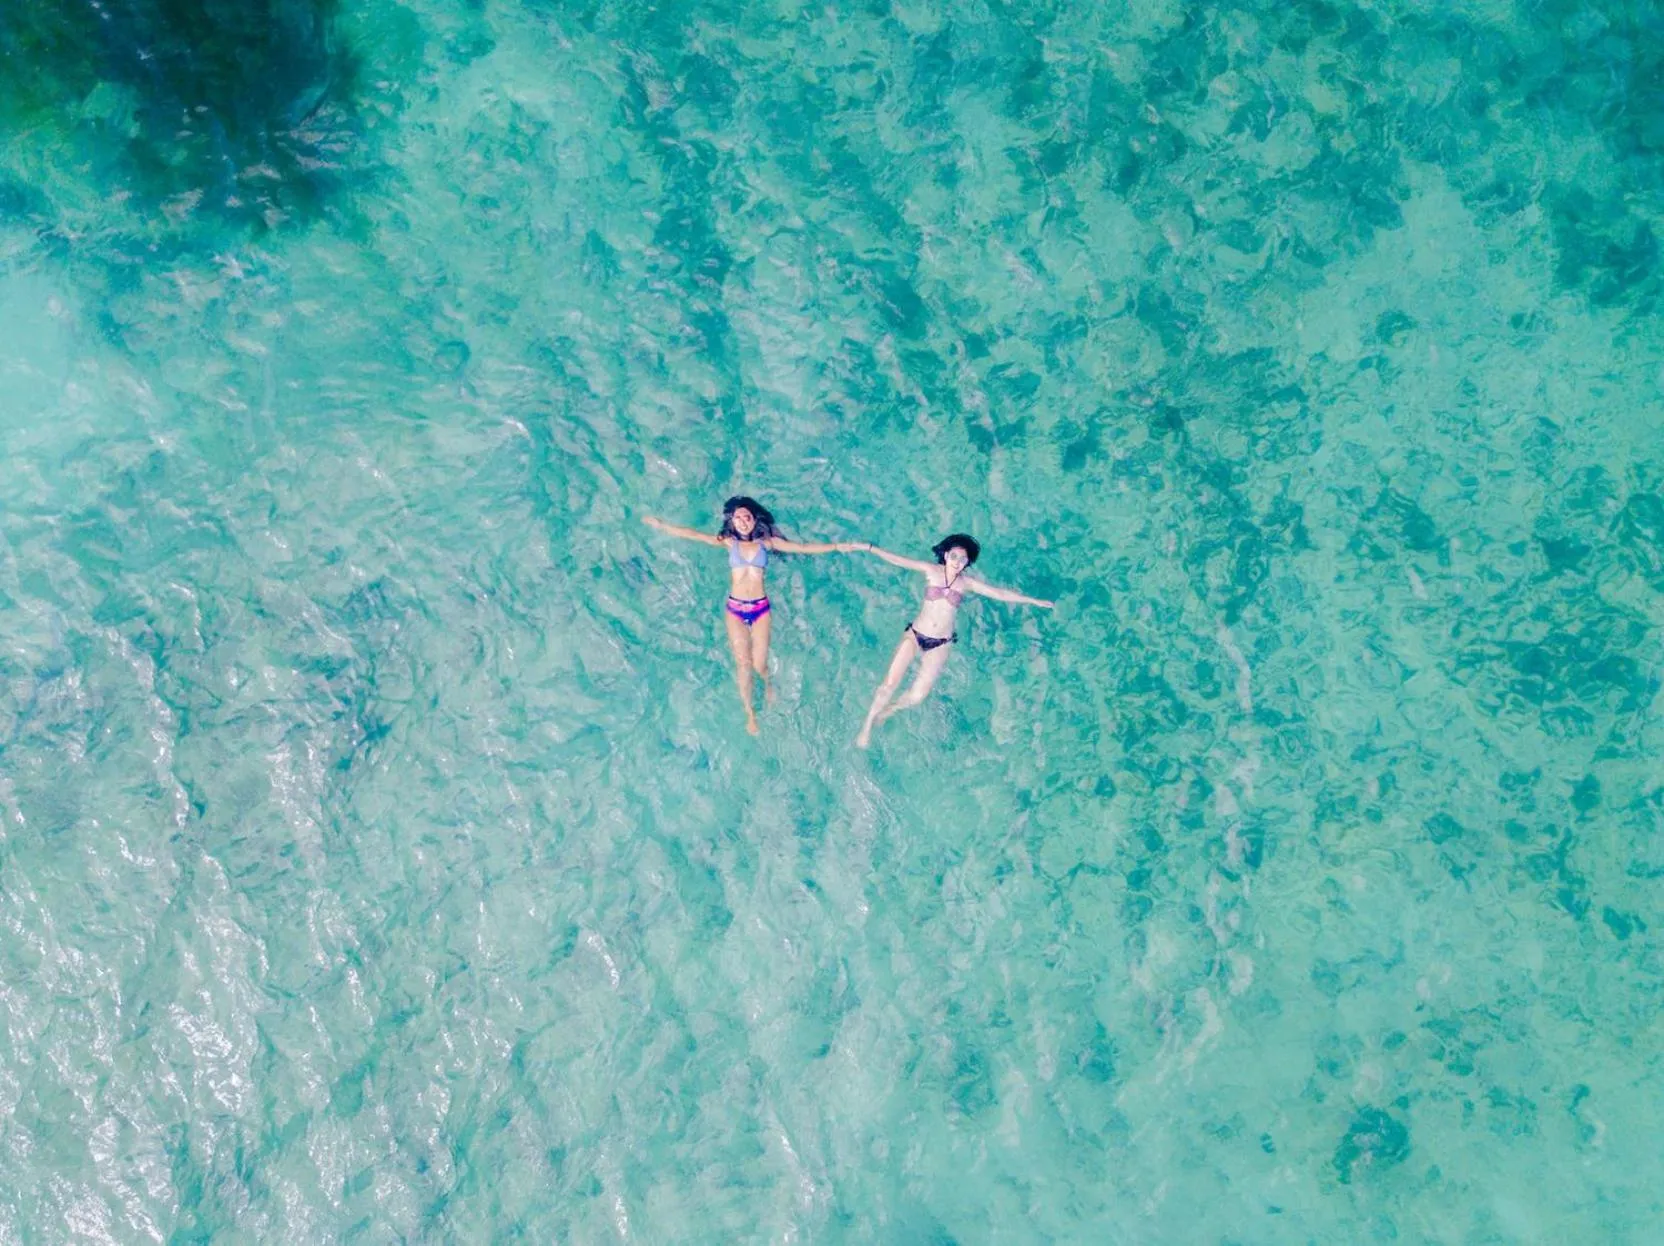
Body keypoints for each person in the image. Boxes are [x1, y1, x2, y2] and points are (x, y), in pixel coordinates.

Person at [643, 497, 862, 734]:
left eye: (746, 517)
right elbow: (694, 535)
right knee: (743, 664)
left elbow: (804, 547)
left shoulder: (767, 544)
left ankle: (768, 683)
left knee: (759, 664)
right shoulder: (728, 543)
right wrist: (662, 525)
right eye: (738, 518)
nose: (743, 521)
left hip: (760, 609)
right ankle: (750, 713)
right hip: (735, 609)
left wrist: (838, 546)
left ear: (754, 519)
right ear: (732, 522)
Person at [853, 533, 1054, 747]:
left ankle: (889, 710)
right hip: (915, 635)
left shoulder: (967, 583)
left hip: (940, 643)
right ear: (946, 554)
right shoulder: (932, 571)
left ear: (967, 563)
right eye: (955, 556)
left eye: (963, 559)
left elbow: (1000, 594)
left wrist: (1033, 600)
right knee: (889, 684)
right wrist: (870, 548)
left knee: (919, 695)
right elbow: (899, 560)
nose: (957, 562)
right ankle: (866, 727)